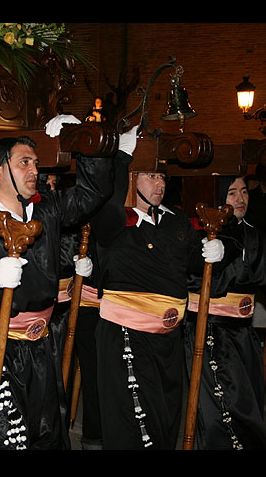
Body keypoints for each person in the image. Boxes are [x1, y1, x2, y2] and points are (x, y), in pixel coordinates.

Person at [0, 126, 125, 450]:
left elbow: (93, 193)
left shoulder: (47, 210)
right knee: (2, 439)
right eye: (24, 163)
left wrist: (91, 145)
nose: (34, 170)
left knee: (45, 432)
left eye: (36, 162)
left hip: (40, 345)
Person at [90, 146, 225, 450]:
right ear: (132, 178)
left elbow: (192, 262)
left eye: (162, 176)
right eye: (151, 176)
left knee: (166, 413)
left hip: (169, 337)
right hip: (127, 334)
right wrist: (122, 158)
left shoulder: (176, 220)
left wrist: (212, 252)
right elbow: (108, 210)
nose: (160, 184)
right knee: (135, 421)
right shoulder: (115, 221)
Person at [184, 175, 266, 449]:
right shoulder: (206, 231)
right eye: (232, 193)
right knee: (228, 405)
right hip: (212, 330)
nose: (240, 199)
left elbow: (261, 272)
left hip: (243, 330)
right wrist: (207, 256)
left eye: (244, 191)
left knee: (250, 399)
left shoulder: (253, 232)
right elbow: (191, 274)